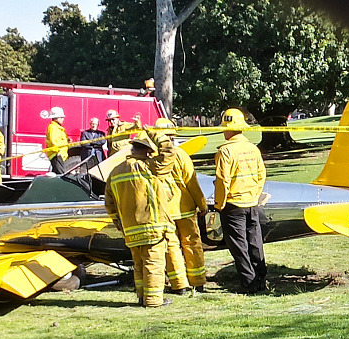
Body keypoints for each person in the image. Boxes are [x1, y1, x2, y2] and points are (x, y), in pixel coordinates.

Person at [104, 130, 177, 308]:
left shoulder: (114, 172)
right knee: (154, 264)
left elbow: (110, 204)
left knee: (138, 265)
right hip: (152, 227)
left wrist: (120, 225)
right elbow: (169, 152)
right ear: (147, 152)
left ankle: (141, 297)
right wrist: (156, 134)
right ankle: (153, 301)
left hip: (130, 230)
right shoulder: (149, 167)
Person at [214, 108, 267, 293]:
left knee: (239, 246)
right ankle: (261, 278)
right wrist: (255, 195)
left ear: (228, 129)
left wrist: (219, 204)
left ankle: (248, 283)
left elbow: (222, 181)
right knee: (254, 241)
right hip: (252, 203)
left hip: (233, 205)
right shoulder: (253, 148)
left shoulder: (225, 151)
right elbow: (261, 175)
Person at [155, 118, 209, 293]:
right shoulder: (181, 155)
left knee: (171, 246)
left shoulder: (153, 157)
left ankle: (179, 285)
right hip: (184, 207)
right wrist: (202, 205)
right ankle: (198, 281)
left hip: (163, 210)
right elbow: (192, 183)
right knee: (192, 243)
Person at [45, 106, 70, 174]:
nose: (63, 119)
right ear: (56, 118)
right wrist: (58, 152)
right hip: (56, 154)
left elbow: (59, 140)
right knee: (61, 174)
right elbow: (54, 141)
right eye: (61, 117)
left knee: (56, 174)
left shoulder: (58, 128)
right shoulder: (53, 127)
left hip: (60, 154)